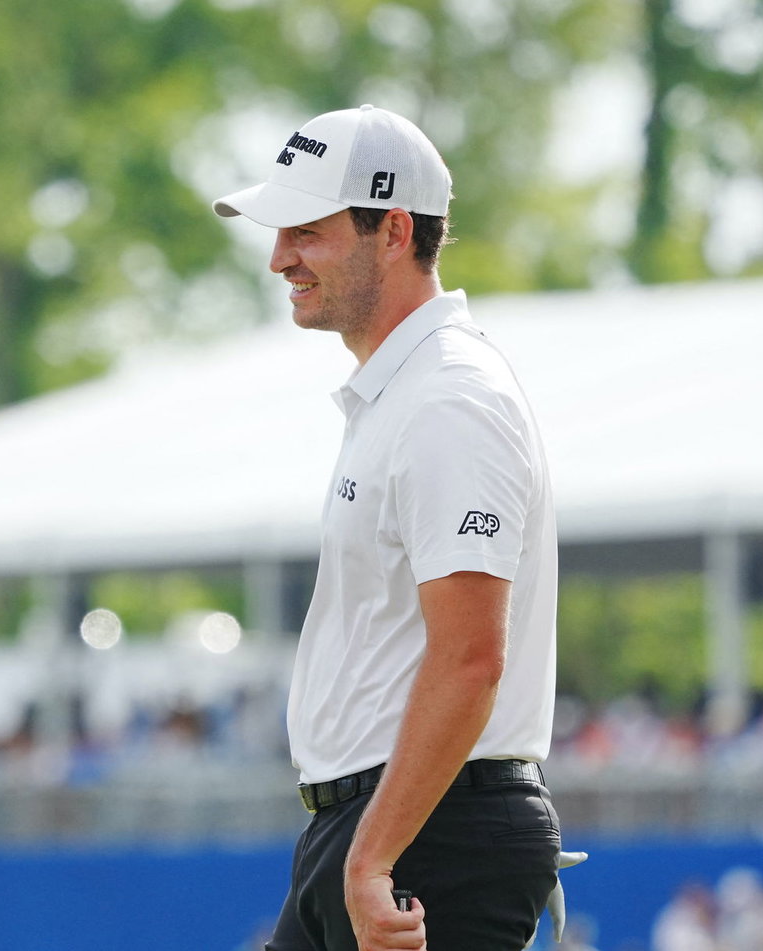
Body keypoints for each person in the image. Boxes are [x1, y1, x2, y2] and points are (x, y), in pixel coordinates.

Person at [213, 105, 562, 950]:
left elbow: (472, 656)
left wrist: (371, 862)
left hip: (426, 839)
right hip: (396, 828)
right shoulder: (408, 392)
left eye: (307, 230)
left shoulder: (450, 397)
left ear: (395, 229)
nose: (279, 257)